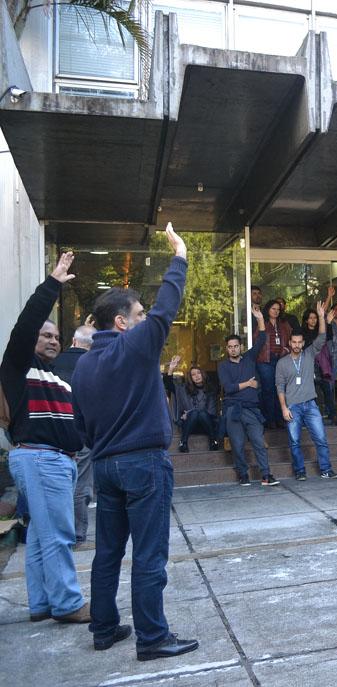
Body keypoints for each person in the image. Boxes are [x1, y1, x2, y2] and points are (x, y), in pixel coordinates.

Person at [72, 224, 199, 660]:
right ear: (122, 322)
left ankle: (103, 629)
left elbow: (81, 426)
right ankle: (152, 638)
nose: (148, 319)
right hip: (143, 464)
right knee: (149, 555)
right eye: (139, 314)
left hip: (105, 466)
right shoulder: (136, 346)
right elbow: (166, 309)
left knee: (107, 552)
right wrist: (179, 256)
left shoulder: (84, 366)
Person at [1, 252, 90, 625]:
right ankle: (68, 603)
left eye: (56, 336)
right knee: (58, 532)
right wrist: (52, 283)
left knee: (40, 533)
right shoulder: (18, 367)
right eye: (45, 335)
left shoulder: (57, 376)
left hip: (57, 460)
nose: (52, 340)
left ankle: (40, 603)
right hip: (39, 458)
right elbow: (25, 326)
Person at [218, 309, 280, 487]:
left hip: (252, 409)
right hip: (233, 411)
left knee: (259, 443)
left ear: (241, 347)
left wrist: (260, 319)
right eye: (230, 347)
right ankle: (243, 475)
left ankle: (266, 475)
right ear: (227, 349)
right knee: (237, 445)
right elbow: (229, 388)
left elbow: (261, 338)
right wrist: (248, 384)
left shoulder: (249, 358)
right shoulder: (223, 366)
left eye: (236, 346)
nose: (233, 349)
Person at [277, 311, 337, 481]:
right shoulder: (282, 363)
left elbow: (322, 336)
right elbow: (279, 387)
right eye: (293, 342)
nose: (296, 345)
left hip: (311, 404)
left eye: (299, 342)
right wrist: (283, 408)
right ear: (290, 343)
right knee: (295, 442)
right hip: (292, 407)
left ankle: (326, 469)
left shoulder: (310, 354)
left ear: (303, 343)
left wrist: (321, 318)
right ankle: (300, 471)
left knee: (321, 439)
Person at [52, 321, 96, 547]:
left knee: (57, 483)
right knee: (81, 484)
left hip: (52, 432)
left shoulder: (53, 362)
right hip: (81, 432)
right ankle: (78, 534)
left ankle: (57, 532)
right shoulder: (93, 364)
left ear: (72, 341)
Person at [172, 364, 222, 453]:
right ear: (191, 378)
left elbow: (212, 413)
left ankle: (213, 440)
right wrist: (171, 368)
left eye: (198, 373)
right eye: (193, 374)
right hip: (190, 425)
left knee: (201, 413)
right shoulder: (185, 389)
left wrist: (189, 412)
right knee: (195, 414)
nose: (197, 376)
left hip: (206, 424)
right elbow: (171, 386)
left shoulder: (210, 390)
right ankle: (183, 442)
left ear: (203, 374)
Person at [256, 299, 290, 428]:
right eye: (273, 309)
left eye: (278, 309)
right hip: (265, 360)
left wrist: (286, 349)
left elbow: (291, 340)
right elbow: (256, 340)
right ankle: (269, 420)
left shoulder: (284, 324)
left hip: (281, 360)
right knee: (268, 389)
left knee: (279, 389)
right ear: (268, 310)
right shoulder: (263, 323)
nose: (276, 311)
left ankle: (280, 418)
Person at [302, 306, 336, 423]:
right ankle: (313, 416)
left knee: (327, 389)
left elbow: (329, 336)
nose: (313, 320)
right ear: (306, 320)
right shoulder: (302, 333)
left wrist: (329, 323)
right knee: (311, 392)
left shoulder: (320, 330)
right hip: (309, 365)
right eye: (311, 318)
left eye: (315, 318)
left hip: (323, 365)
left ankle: (332, 414)